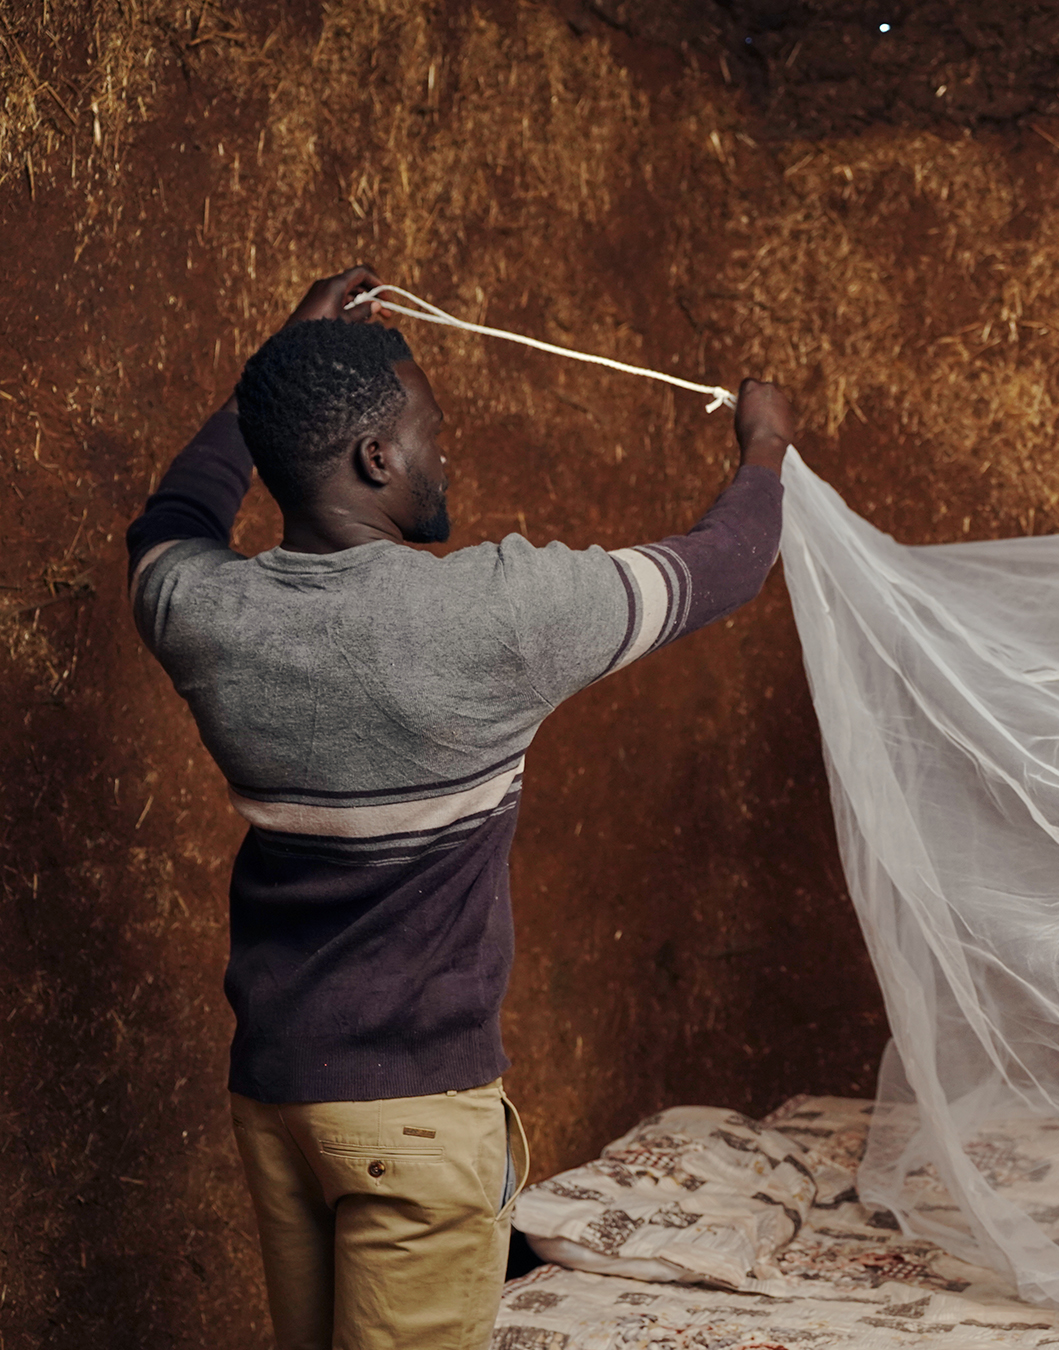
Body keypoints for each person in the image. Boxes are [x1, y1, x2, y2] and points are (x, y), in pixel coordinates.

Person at [125, 266, 796, 1350]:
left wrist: (276, 368)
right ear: (376, 458)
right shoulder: (491, 619)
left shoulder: (194, 608)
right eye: (430, 432)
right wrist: (765, 446)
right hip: (416, 1118)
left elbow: (171, 515)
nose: (447, 454)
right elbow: (728, 562)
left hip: (278, 1103)